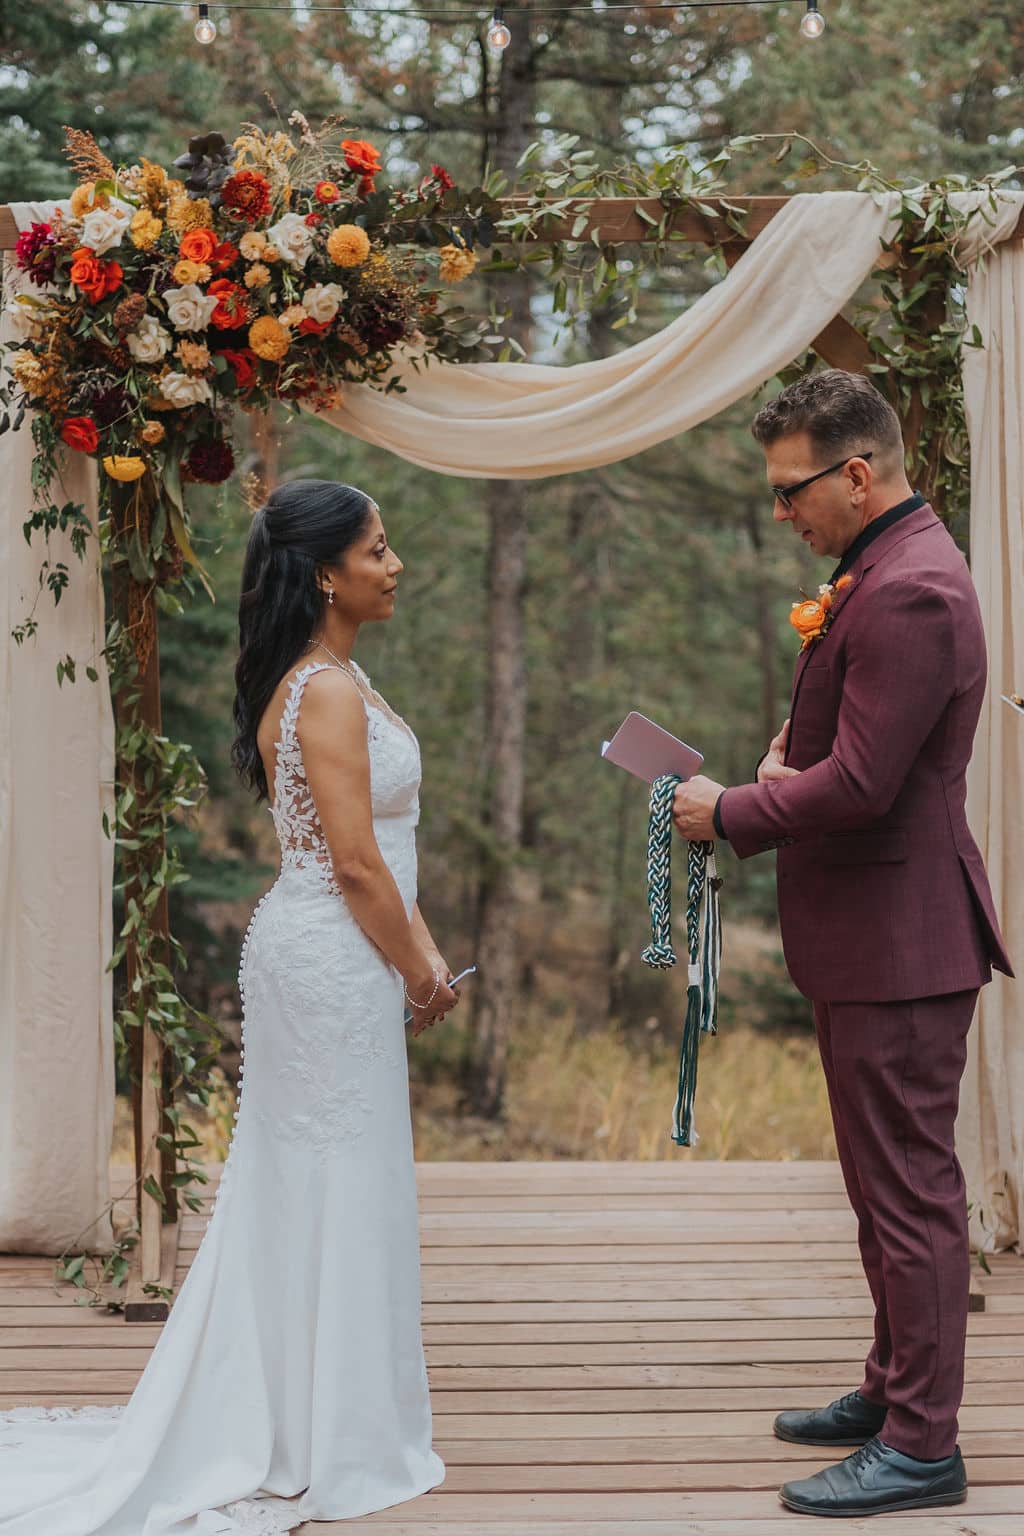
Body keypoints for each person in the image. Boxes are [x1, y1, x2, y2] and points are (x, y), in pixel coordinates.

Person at [0, 479, 459, 1534]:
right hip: (334, 953)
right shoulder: (327, 691)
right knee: (333, 1175)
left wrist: (413, 953)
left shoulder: (330, 676)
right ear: (326, 574)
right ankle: (319, 1429)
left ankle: (309, 1410)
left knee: (320, 1178)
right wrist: (422, 968)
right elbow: (353, 862)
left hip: (329, 951)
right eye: (377, 551)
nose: (394, 566)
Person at [672, 371, 1012, 1520]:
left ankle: (923, 1446)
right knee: (879, 1189)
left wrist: (730, 809)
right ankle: (889, 1389)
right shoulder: (877, 569)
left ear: (855, 473)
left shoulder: (911, 588)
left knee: (911, 1192)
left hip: (902, 939)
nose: (783, 515)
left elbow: (867, 788)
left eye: (789, 491)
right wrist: (793, 755)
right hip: (870, 934)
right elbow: (863, 752)